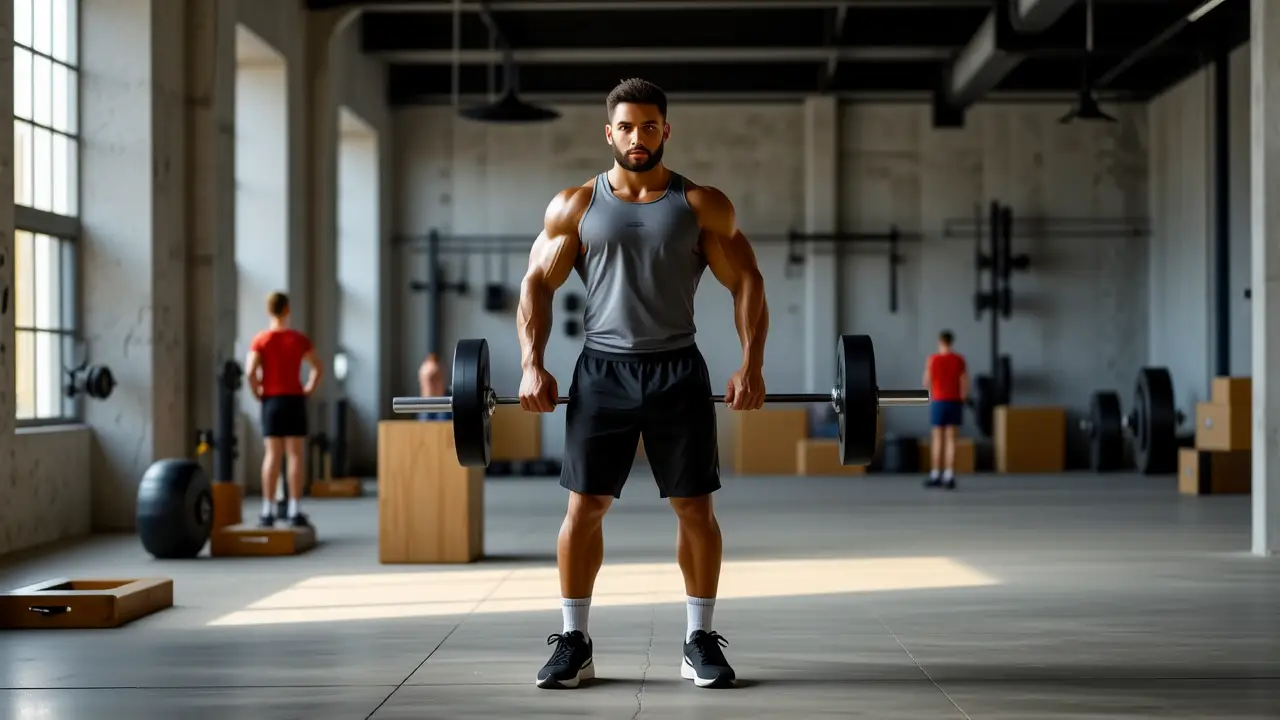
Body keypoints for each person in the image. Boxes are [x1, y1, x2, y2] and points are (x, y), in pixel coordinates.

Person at [517, 78, 768, 691]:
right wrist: (531, 361)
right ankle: (574, 641)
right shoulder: (575, 205)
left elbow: (748, 282)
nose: (637, 137)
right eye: (625, 127)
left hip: (678, 368)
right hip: (602, 370)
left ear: (666, 130)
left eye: (648, 126)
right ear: (609, 132)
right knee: (584, 507)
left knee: (695, 509)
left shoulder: (701, 204)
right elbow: (535, 285)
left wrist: (751, 363)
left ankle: (698, 640)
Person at [245, 291, 323, 527]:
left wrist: (257, 392)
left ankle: (267, 510)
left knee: (272, 455)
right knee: (295, 455)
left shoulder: (261, 340)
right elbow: (317, 368)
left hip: (272, 401)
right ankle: (293, 509)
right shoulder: (298, 340)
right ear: (287, 310)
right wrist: (308, 388)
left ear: (269, 311)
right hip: (294, 400)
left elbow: (250, 372)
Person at [922, 329, 967, 490]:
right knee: (951, 440)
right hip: (954, 402)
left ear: (940, 342)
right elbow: (964, 382)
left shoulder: (933, 359)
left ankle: (935, 474)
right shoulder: (959, 360)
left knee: (937, 440)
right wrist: (963, 398)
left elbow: (926, 381)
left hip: (939, 401)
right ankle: (949, 475)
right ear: (951, 342)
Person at [416, 352, 451, 421]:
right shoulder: (411, 407)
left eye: (436, 378)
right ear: (420, 380)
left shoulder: (454, 407)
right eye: (427, 379)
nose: (431, 385)